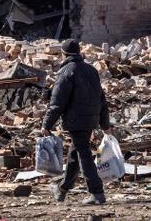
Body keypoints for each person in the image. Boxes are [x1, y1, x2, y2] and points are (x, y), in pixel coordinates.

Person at [42, 38, 110, 205]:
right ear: (79, 53)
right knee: (76, 153)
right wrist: (105, 123)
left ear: (63, 54)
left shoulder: (66, 72)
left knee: (84, 155)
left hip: (75, 120)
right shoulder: (91, 70)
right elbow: (101, 98)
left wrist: (46, 125)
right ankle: (63, 188)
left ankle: (97, 192)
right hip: (90, 118)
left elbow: (57, 102)